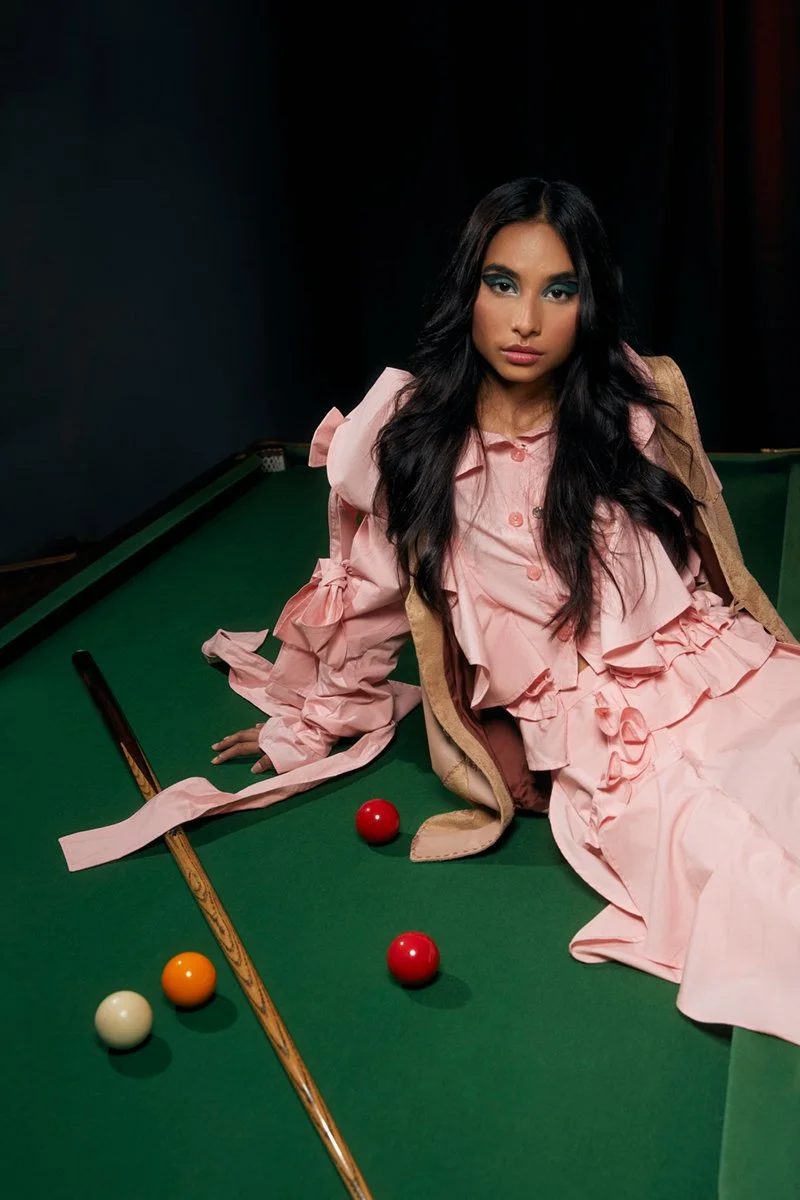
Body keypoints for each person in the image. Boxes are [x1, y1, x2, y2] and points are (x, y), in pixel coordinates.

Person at [60, 178, 800, 1048]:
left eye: (558, 290)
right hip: (611, 740)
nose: (526, 318)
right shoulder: (410, 439)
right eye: (503, 283)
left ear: (588, 303)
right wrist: (313, 720)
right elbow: (372, 594)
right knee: (745, 881)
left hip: (725, 670)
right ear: (469, 290)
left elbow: (698, 550)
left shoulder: (627, 401)